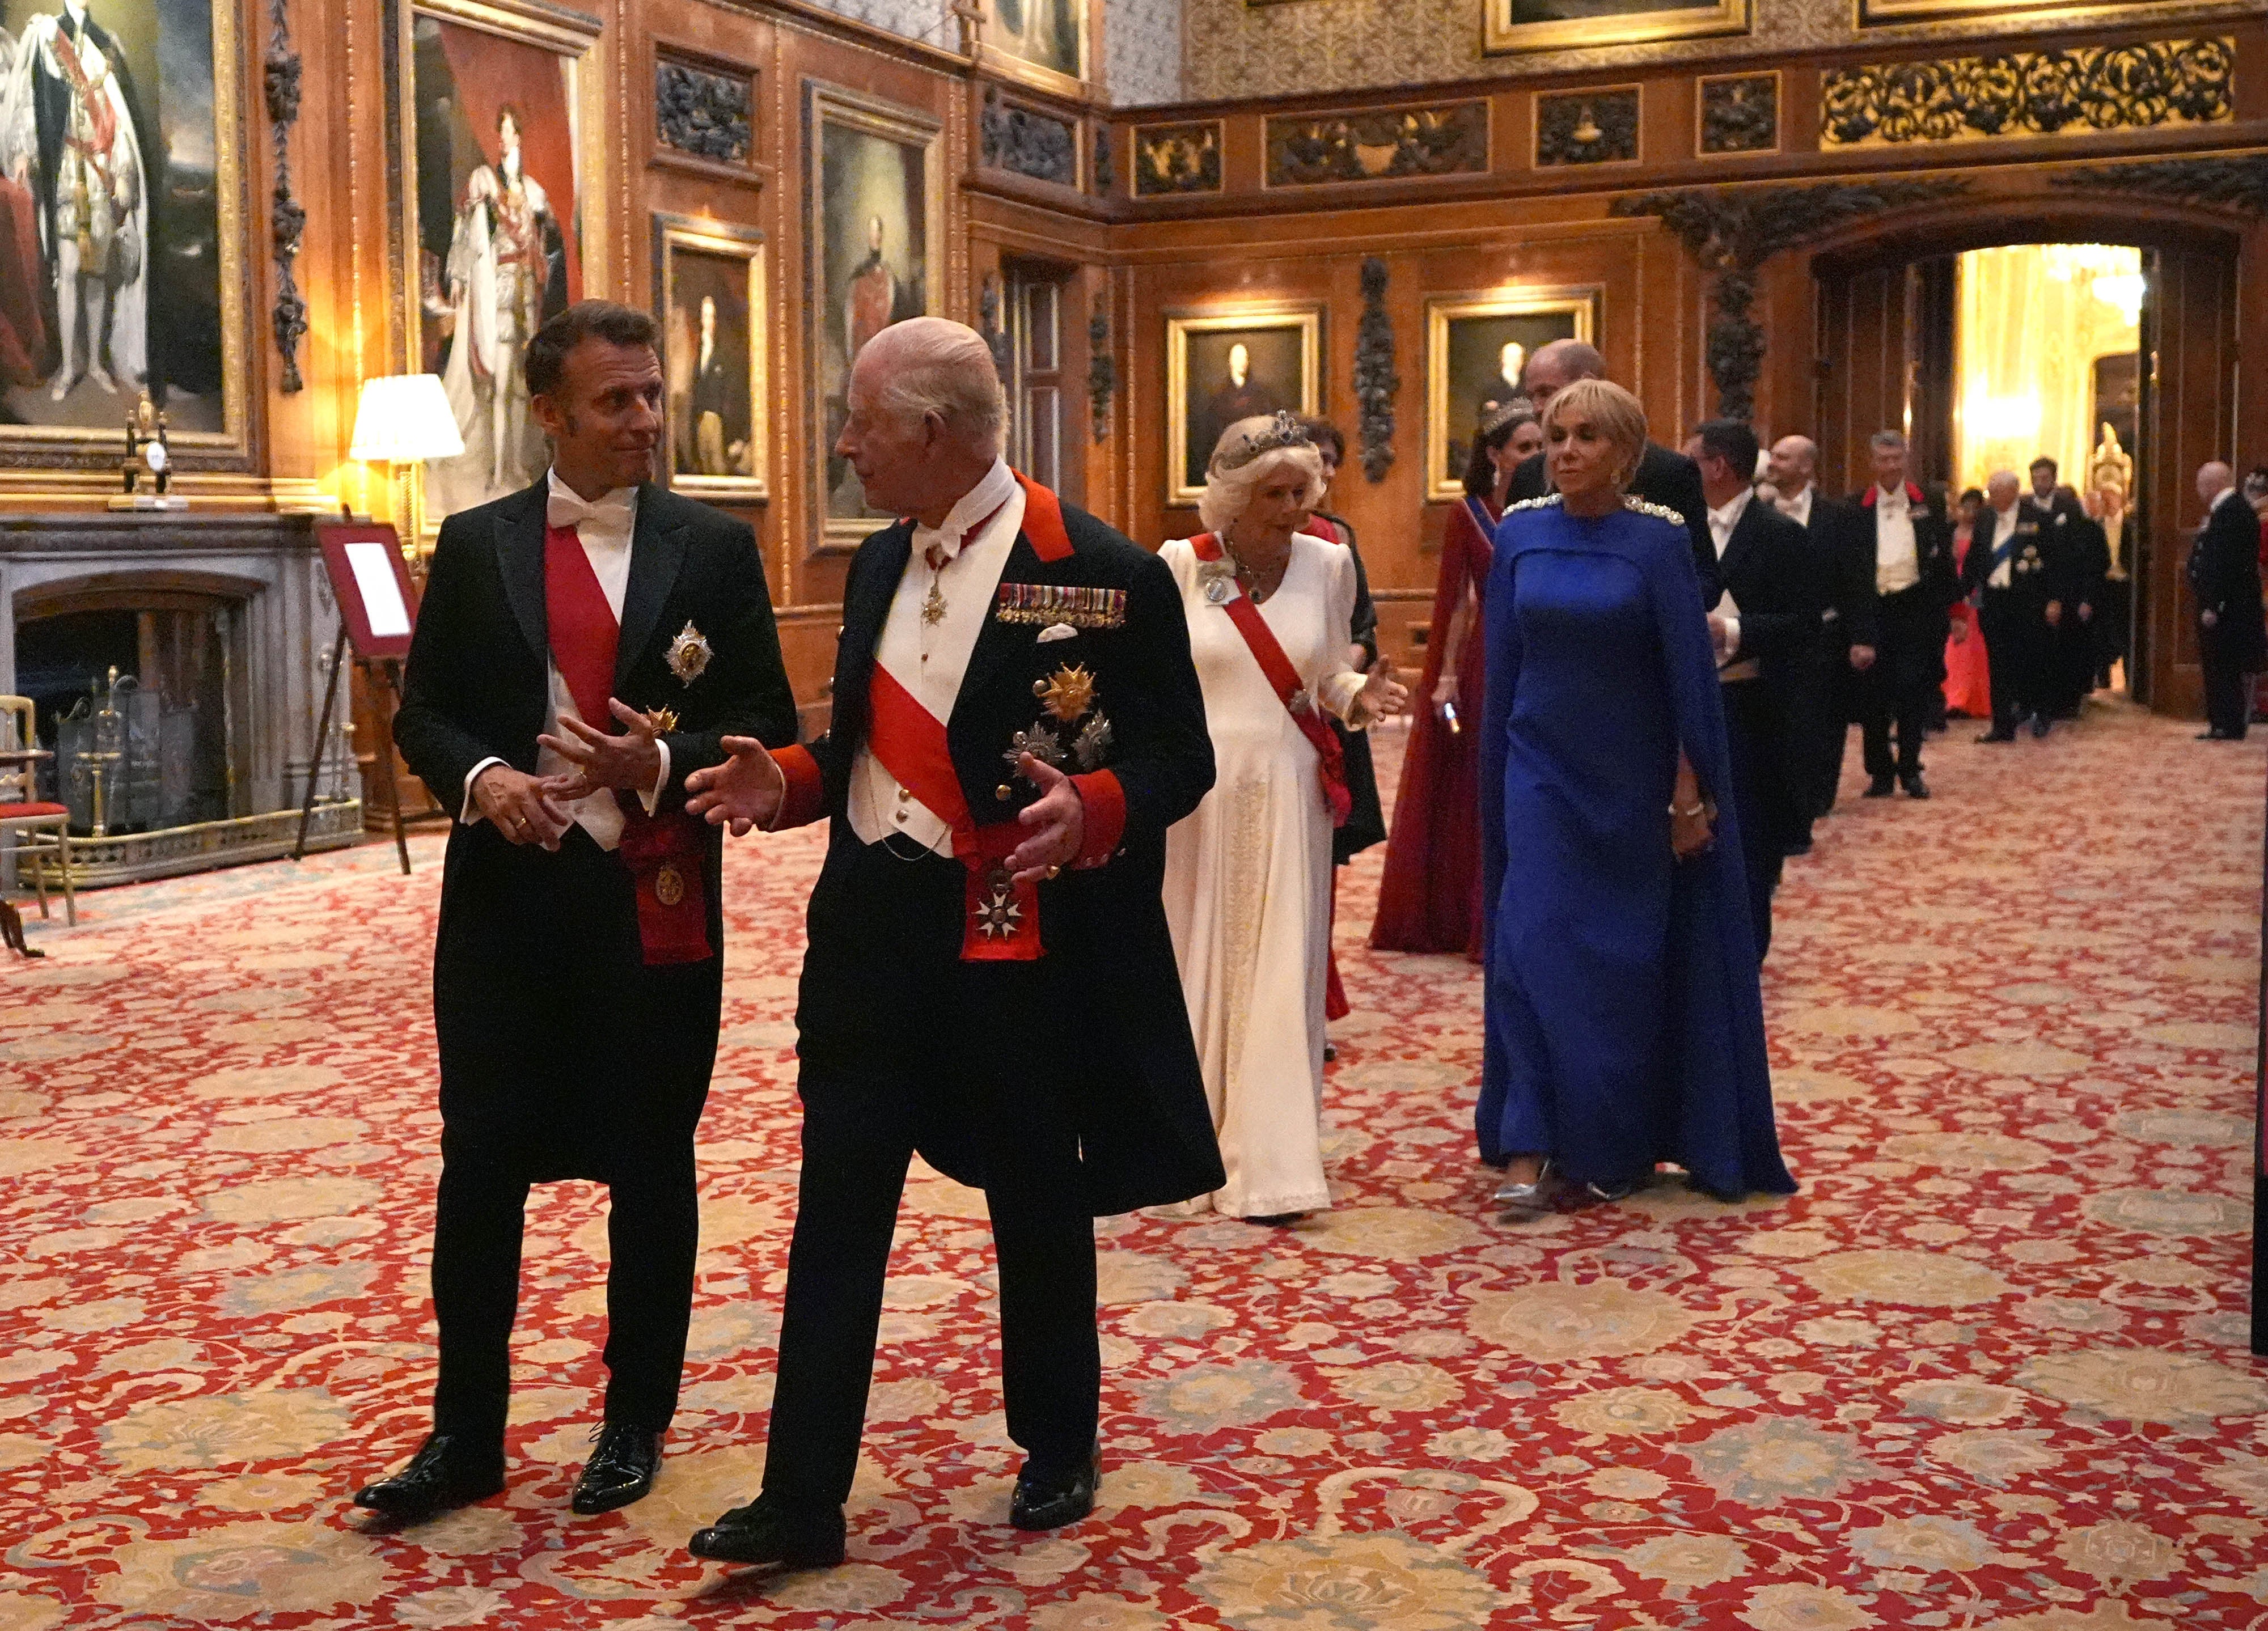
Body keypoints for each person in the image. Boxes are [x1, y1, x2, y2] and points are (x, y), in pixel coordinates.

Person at [676, 319, 1223, 1569]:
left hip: (1011, 940)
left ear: (929, 432)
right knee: (835, 1208)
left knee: (1035, 1193)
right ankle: (801, 1491)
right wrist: (791, 779)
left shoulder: (1099, 570)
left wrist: (1091, 807)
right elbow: (871, 746)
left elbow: (1177, 757)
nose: (845, 444)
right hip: (868, 934)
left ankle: (1057, 1438)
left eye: (860, 423)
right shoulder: (876, 562)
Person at [362, 302, 797, 1522]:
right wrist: (484, 778)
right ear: (548, 413)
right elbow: (425, 714)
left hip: (653, 903)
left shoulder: (710, 546)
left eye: (651, 394)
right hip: (506, 906)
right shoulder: (475, 541)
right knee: (479, 1167)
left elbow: (768, 721)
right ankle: (465, 1434)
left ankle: (632, 1419)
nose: (645, 419)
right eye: (615, 401)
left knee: (653, 1165)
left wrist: (652, 769)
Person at [1479, 377, 1794, 1215]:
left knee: (1616, 969)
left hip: (1631, 787)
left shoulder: (1657, 544)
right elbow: (1500, 671)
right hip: (1538, 775)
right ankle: (1528, 1141)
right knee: (1529, 946)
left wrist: (1690, 794)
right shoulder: (1519, 536)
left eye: (1586, 436)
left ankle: (1609, 1143)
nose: (1567, 451)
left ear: (1625, 451)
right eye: (1556, 435)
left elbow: (1688, 682)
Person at [1153, 414, 1406, 1223]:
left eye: (1305, 491)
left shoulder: (1331, 565)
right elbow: (1154, 683)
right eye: (1276, 493)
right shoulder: (1181, 569)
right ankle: (1183, 1150)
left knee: (1280, 966)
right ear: (1230, 497)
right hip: (1199, 790)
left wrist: (1357, 698)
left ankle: (1271, 1163)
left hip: (1292, 787)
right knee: (1193, 954)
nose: (1296, 507)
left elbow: (1330, 673)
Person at [1372, 401, 1535, 958]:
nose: (1537, 456)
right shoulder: (1470, 513)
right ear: (1495, 454)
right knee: (1480, 782)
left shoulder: (1552, 509)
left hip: (1545, 651)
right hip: (1487, 656)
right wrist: (1442, 679)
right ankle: (1474, 919)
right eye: (1525, 447)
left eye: (1542, 445)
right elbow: (1459, 606)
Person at [1690, 418, 1823, 958]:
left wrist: (1735, 631)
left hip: (1752, 705)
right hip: (1685, 703)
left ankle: (1745, 949)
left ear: (1717, 466)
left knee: (1746, 830)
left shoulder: (1780, 534)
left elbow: (1805, 624)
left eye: (1690, 459)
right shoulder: (1676, 529)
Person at [0, 0, 149, 403]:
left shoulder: (107, 45)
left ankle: (97, 364)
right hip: (66, 172)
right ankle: (69, 365)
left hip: (99, 172)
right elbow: (35, 103)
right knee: (67, 270)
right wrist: (24, 153)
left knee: (97, 273)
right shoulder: (49, 38)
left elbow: (118, 120)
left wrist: (123, 174)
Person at [1504, 338, 1716, 607]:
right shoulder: (1528, 475)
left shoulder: (1667, 472)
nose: (1536, 407)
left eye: (1546, 392)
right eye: (1531, 396)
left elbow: (1704, 583)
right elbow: (1506, 588)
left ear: (1588, 382)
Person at [1298, 417, 1388, 1032]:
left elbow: (1362, 629)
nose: (1323, 473)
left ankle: (1313, 1011)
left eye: (1331, 460)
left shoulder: (1337, 538)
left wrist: (1338, 678)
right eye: (1313, 459)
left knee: (1319, 874)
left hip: (1326, 722)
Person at [435, 105, 569, 511]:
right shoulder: (485, 181)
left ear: (519, 137)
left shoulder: (533, 190)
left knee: (517, 387)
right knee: (496, 385)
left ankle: (513, 466)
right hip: (496, 292)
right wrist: (459, 278)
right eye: (502, 132)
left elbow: (550, 244)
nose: (506, 138)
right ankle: (495, 471)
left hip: (527, 296)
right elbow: (466, 233)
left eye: (512, 131)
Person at [1765, 435, 1875, 819]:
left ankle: (1817, 796)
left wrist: (1863, 637)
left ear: (1806, 467)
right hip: (1771, 633)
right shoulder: (1758, 511)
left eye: (1782, 457)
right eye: (1773, 456)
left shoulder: (1837, 515)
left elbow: (1857, 579)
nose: (1772, 463)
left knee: (1824, 716)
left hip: (1825, 632)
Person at [1851, 431, 1958, 799]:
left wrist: (1955, 610)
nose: (1891, 466)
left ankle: (1911, 769)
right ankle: (1880, 772)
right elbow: (1849, 572)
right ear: (1872, 463)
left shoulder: (1929, 501)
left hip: (1916, 611)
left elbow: (1944, 560)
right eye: (1884, 459)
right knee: (1874, 698)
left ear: (1906, 460)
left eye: (1897, 458)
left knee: (1914, 692)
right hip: (1874, 611)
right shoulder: (1855, 508)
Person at [1967, 471, 2058, 742]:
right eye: (1990, 491)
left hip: (2029, 602)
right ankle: (2002, 726)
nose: (1992, 496)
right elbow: (1975, 556)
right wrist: (1964, 590)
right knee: (1998, 665)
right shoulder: (1985, 518)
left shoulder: (2037, 517)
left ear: (2014, 491)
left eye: (1997, 491)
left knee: (2033, 661)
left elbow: (2054, 562)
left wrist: (2054, 599)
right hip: (1996, 601)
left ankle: (2041, 716)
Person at [2189, 460, 2266, 740]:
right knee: (2217, 662)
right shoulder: (2226, 510)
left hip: (2226, 607)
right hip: (2222, 604)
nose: (2198, 490)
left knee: (2223, 664)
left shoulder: (2232, 512)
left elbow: (2227, 565)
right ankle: (2221, 721)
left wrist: (2214, 604)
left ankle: (2227, 723)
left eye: (2200, 484)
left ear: (2213, 484)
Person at [1941, 488, 1991, 723]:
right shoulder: (1950, 531)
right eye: (1965, 507)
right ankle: (1953, 696)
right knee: (1954, 647)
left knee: (1974, 646)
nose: (1969, 512)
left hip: (1974, 590)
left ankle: (1973, 698)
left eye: (1974, 508)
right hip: (1954, 586)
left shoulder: (1983, 533)